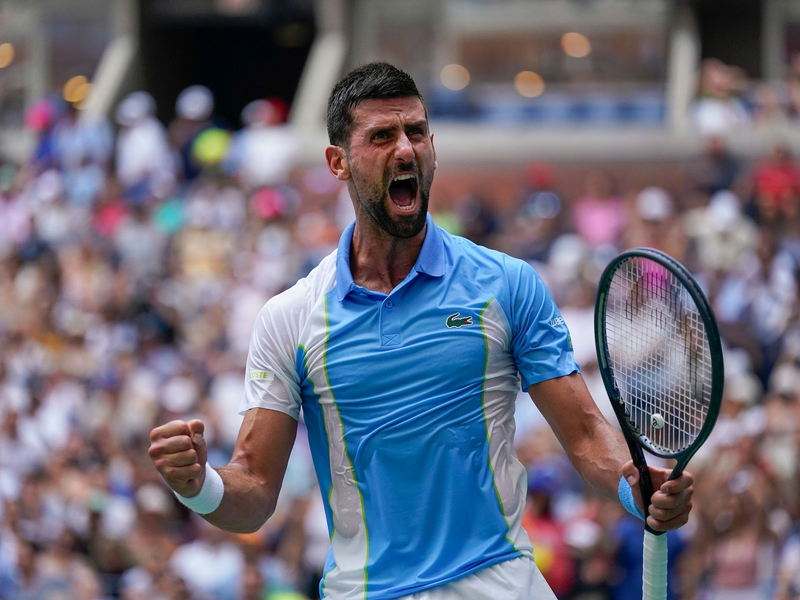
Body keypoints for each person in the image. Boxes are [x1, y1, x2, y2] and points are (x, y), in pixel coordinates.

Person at [148, 62, 694, 600]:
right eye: (382, 136)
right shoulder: (289, 317)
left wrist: (633, 483)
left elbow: (584, 436)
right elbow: (255, 491)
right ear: (338, 162)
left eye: (415, 132)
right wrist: (200, 486)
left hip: (499, 580)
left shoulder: (507, 285)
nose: (405, 149)